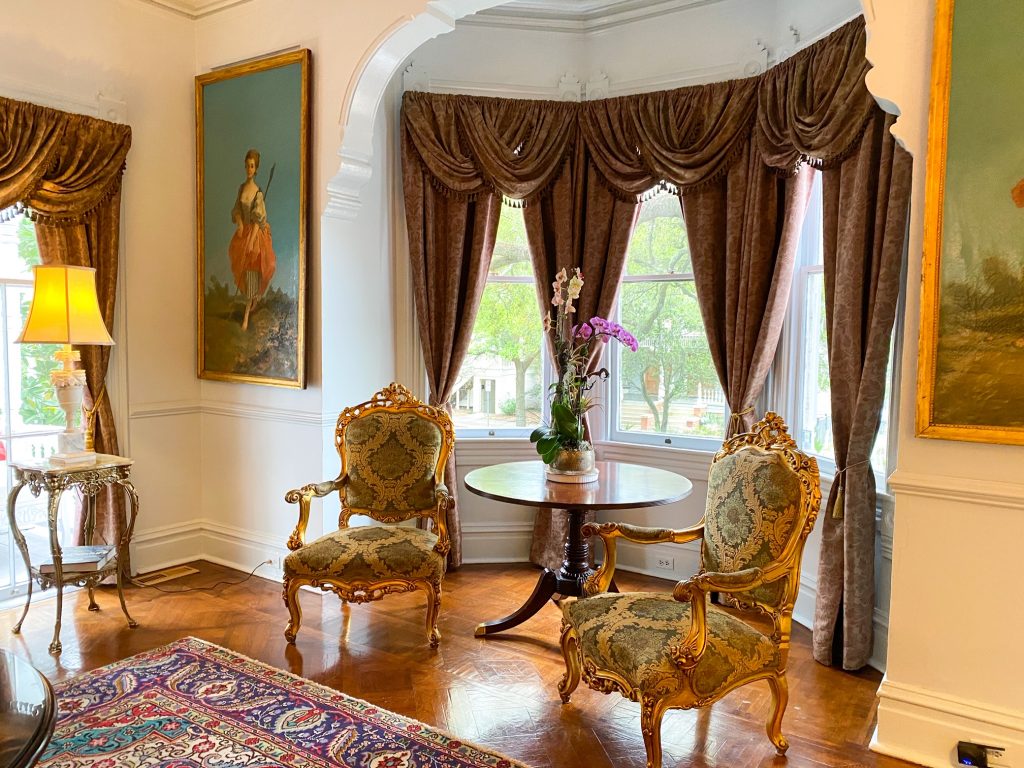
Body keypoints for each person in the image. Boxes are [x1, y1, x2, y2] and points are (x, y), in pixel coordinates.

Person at [229, 148, 276, 331]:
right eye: (247, 165)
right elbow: (236, 210)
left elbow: (258, 219)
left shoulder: (258, 193)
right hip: (244, 231)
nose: (249, 169)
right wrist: (240, 224)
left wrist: (251, 241)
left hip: (257, 235)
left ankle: (247, 315)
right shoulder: (242, 188)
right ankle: (252, 300)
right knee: (243, 269)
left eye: (252, 166)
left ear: (256, 169)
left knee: (253, 272)